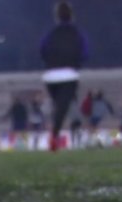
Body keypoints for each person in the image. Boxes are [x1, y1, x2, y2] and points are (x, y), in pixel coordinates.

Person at [40, 1, 88, 151]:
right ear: (71, 15)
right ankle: (54, 136)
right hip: (69, 74)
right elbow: (85, 52)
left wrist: (51, 61)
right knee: (63, 106)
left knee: (59, 105)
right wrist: (76, 62)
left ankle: (53, 129)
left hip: (50, 76)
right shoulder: (77, 33)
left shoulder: (51, 33)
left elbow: (42, 49)